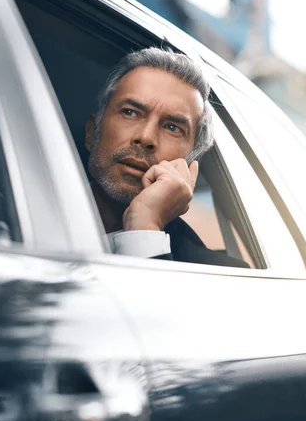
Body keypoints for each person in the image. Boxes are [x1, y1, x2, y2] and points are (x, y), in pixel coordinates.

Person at [85, 47, 248, 268]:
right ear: (91, 132)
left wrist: (146, 224)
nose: (145, 137)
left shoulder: (217, 277)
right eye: (130, 112)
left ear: (188, 166)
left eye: (172, 127)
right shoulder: (22, 196)